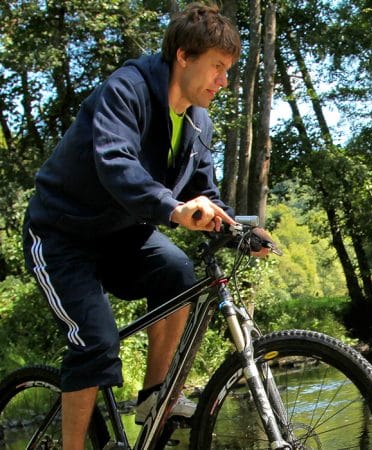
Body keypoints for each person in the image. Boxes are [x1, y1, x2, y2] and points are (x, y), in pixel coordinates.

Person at [21, 3, 267, 449]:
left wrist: (240, 232)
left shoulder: (198, 120)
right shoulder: (127, 90)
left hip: (122, 237)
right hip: (62, 235)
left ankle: (155, 397)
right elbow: (116, 166)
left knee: (177, 274)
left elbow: (205, 191)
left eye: (228, 70)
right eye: (217, 67)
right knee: (96, 343)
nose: (224, 81)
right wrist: (173, 210)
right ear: (184, 57)